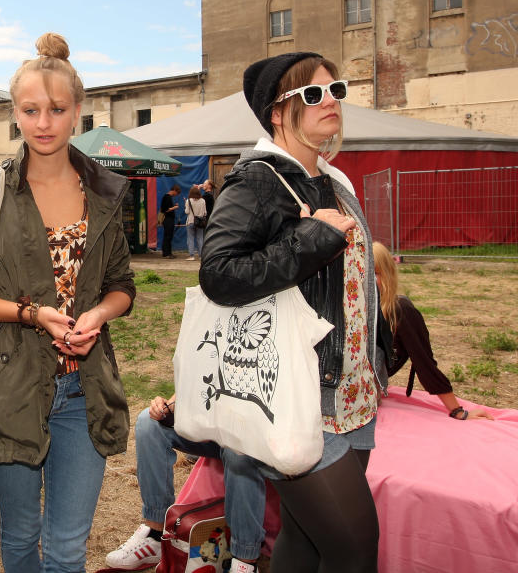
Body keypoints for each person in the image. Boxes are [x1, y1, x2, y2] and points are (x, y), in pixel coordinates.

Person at [0, 32, 136, 573]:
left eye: (56, 109)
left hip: (86, 388)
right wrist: (31, 314)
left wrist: (98, 314)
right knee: (21, 538)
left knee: (69, 548)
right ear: (16, 114)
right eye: (31, 110)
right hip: (13, 383)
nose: (44, 122)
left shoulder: (105, 190)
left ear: (78, 111)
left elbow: (122, 283)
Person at [200, 52, 390, 573]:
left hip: (354, 391)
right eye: (312, 94)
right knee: (354, 548)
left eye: (336, 90)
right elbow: (218, 273)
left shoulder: (333, 181)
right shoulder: (258, 180)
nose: (330, 101)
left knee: (305, 543)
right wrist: (310, 240)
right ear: (277, 113)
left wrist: (379, 354)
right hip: (300, 395)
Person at [105, 394, 267, 573]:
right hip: (211, 422)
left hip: (253, 430)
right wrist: (168, 405)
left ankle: (245, 562)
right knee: (149, 423)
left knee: (238, 452)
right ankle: (155, 535)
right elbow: (194, 381)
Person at [373, 241, 495, 421]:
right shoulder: (349, 306)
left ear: (388, 274)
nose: (365, 280)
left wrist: (457, 410)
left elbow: (424, 362)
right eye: (360, 273)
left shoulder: (400, 311)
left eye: (374, 273)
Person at [183, 184, 206, 261]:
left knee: (190, 238)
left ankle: (192, 256)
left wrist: (185, 205)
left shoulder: (188, 200)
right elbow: (205, 213)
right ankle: (201, 256)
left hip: (190, 221)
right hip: (200, 222)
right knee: (200, 238)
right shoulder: (203, 201)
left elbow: (186, 212)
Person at [160, 183, 180, 258]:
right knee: (168, 236)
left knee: (168, 236)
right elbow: (165, 210)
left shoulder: (167, 197)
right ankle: (166, 253)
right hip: (168, 219)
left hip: (168, 219)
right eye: (177, 193)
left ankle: (168, 252)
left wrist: (173, 206)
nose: (176, 194)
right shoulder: (167, 197)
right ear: (174, 190)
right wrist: (175, 207)